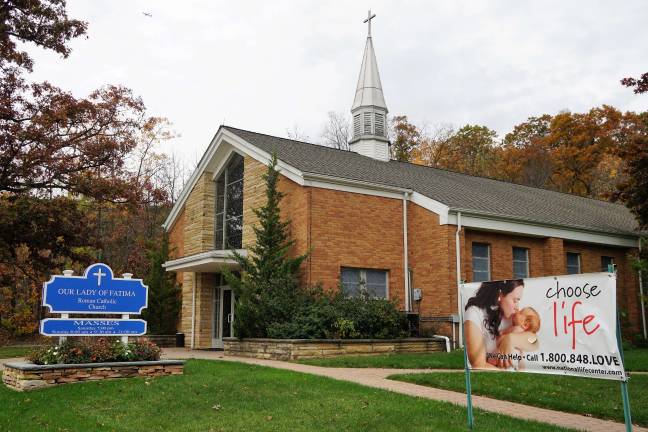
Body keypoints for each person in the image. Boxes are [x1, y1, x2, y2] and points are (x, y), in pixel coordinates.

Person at [464, 279, 539, 369]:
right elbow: (478, 364)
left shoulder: (513, 318)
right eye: (515, 300)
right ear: (500, 295)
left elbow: (535, 342)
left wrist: (511, 339)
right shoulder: (475, 313)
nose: (517, 307)